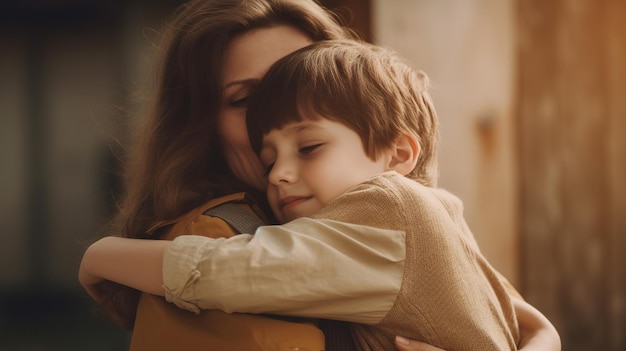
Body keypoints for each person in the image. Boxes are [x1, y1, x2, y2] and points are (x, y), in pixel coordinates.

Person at [79, 0, 560, 350]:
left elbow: (231, 272)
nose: (281, 169)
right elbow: (531, 326)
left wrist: (103, 254)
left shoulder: (387, 210)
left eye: (309, 143)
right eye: (249, 101)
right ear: (200, 123)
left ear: (396, 151)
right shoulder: (217, 230)